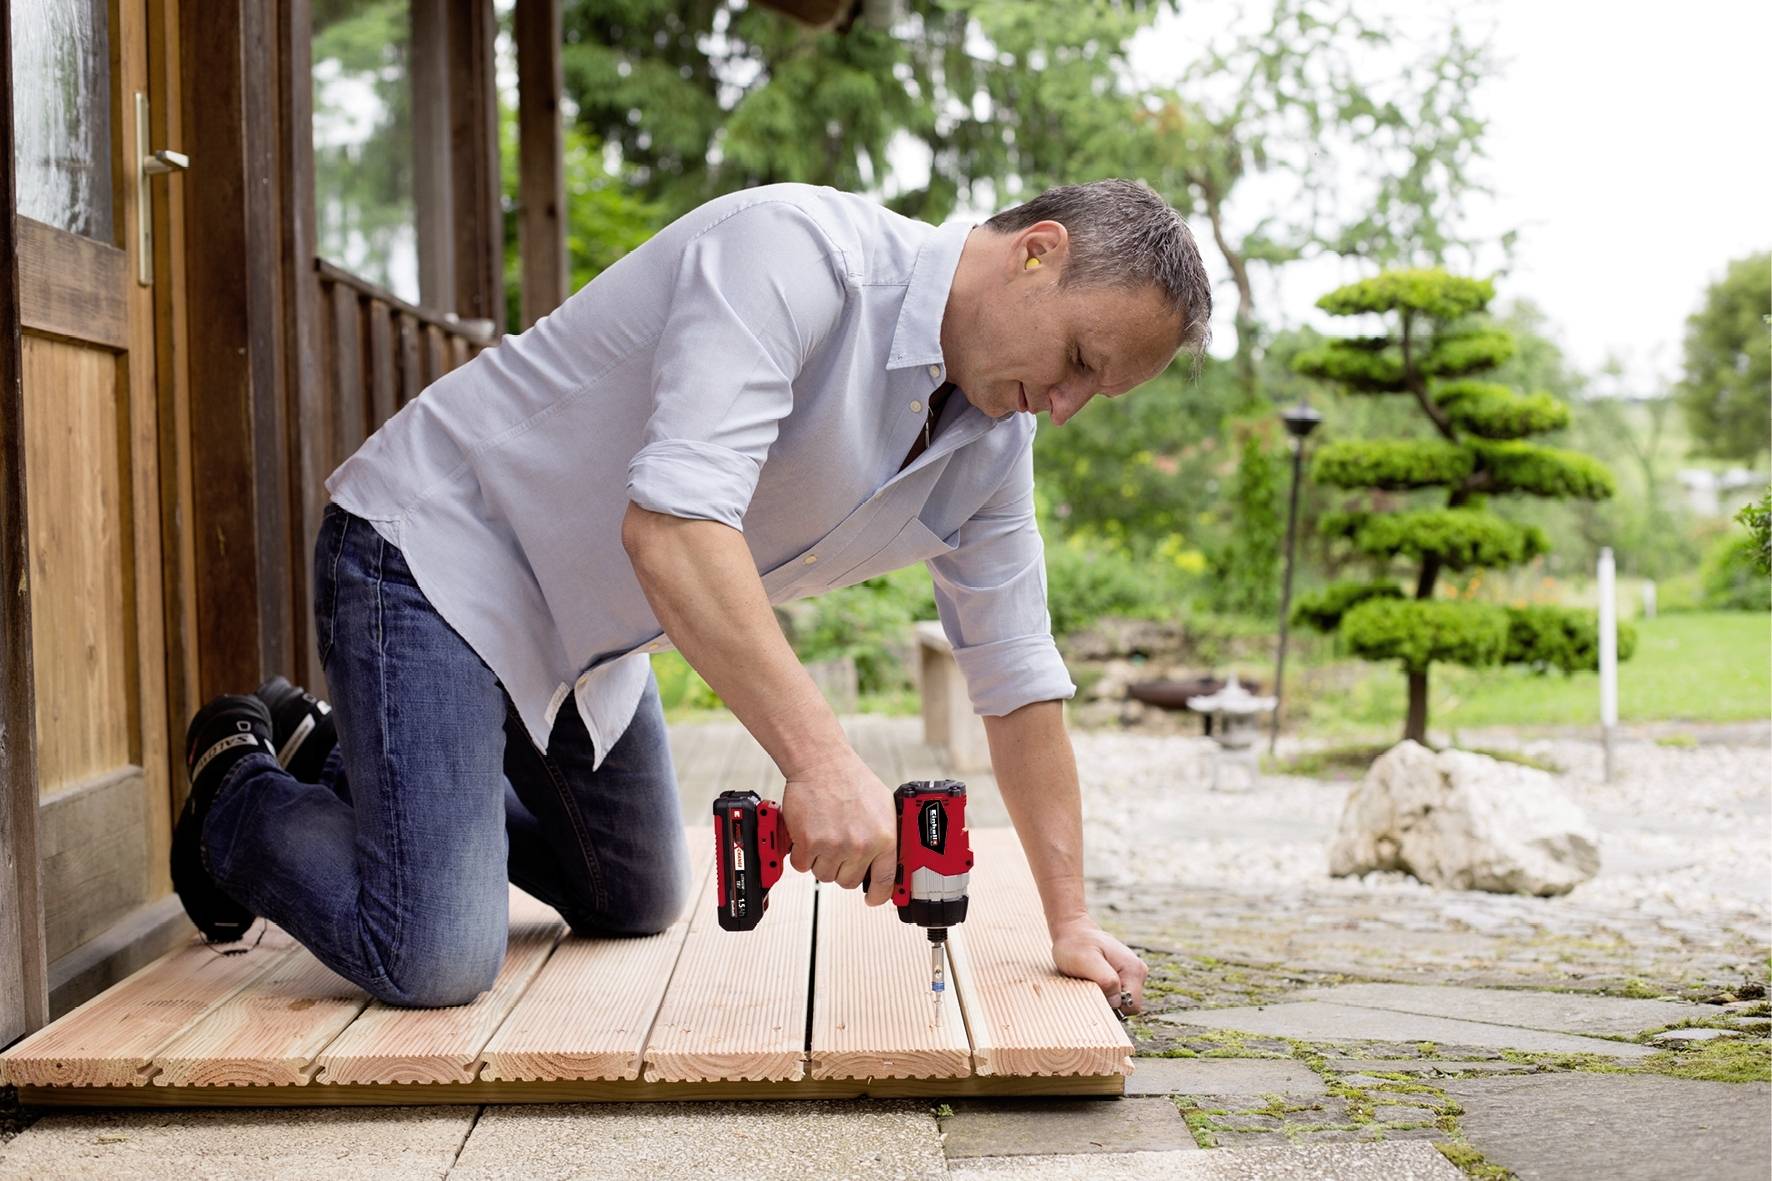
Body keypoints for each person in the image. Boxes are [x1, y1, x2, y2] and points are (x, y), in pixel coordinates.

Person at [172, 178, 1211, 1012]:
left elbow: (1018, 675)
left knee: (632, 893)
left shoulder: (991, 443)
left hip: (588, 636)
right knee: (433, 951)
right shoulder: (797, 253)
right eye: (1078, 360)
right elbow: (672, 531)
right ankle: (237, 785)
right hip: (436, 556)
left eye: (1096, 391)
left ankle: (336, 755)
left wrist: (1069, 919)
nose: (1065, 407)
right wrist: (822, 762)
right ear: (1036, 252)